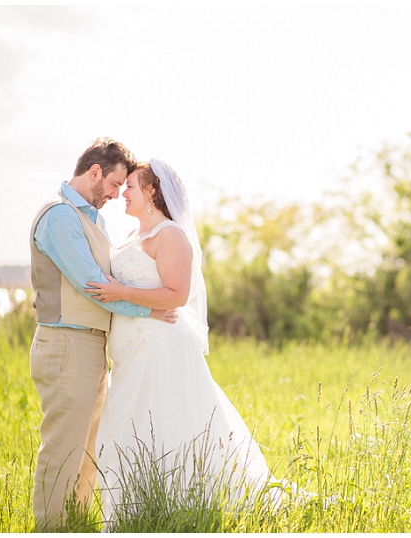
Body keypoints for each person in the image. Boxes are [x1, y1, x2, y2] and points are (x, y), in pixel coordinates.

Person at [88, 159, 299, 528]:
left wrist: (120, 290)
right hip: (129, 353)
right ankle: (133, 510)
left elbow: (176, 295)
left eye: (132, 187)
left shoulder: (170, 236)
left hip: (160, 348)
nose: (124, 193)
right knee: (129, 427)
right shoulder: (130, 238)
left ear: (153, 192)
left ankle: (179, 505)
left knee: (163, 423)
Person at [28, 138, 176, 531]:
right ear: (94, 172)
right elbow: (94, 284)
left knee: (88, 448)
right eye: (113, 184)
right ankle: (51, 527)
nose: (115, 194)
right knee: (63, 446)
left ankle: (75, 522)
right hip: (66, 343)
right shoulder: (60, 217)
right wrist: (149, 308)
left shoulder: (94, 219)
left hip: (91, 345)